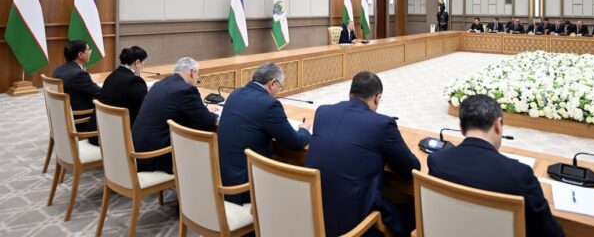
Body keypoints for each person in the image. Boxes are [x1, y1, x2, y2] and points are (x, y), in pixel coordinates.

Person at [428, 94, 564, 237]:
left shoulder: (437, 160)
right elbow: (551, 234)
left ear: (461, 128)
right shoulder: (519, 175)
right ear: (498, 125)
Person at [305, 71, 421, 237]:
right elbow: (411, 169)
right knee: (412, 214)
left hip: (314, 217)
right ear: (377, 98)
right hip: (354, 227)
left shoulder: (323, 112)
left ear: (350, 93)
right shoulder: (382, 124)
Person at [218, 63, 310, 204]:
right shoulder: (270, 105)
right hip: (247, 187)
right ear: (272, 83)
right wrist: (304, 129)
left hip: (224, 178)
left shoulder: (235, 93)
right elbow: (295, 143)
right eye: (280, 86)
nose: (278, 91)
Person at [132, 57, 217, 174]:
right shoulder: (186, 90)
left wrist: (203, 109)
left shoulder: (159, 84)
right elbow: (207, 121)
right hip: (157, 156)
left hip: (138, 150)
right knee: (210, 142)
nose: (197, 78)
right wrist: (213, 113)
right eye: (198, 74)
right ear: (192, 72)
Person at [89, 46, 149, 145]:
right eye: (144, 63)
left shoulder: (112, 75)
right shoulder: (135, 81)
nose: (143, 67)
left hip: (97, 132)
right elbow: (145, 109)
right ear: (137, 62)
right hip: (115, 138)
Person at [52, 40, 100, 132]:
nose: (90, 51)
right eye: (88, 49)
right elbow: (99, 93)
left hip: (62, 117)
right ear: (80, 55)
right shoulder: (79, 74)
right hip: (80, 121)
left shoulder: (58, 70)